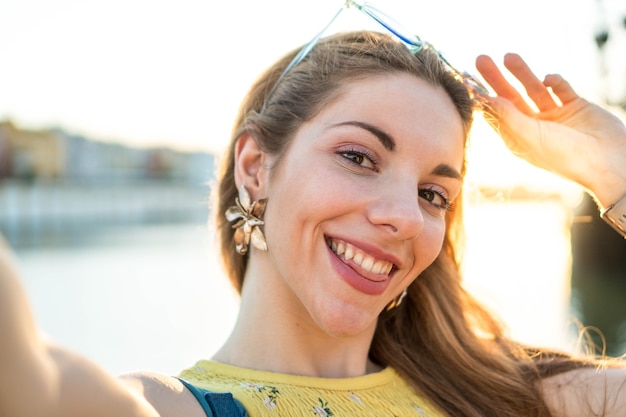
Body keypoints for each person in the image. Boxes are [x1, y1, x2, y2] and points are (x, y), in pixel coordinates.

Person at [1, 3, 626, 417]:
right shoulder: (170, 408)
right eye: (358, 157)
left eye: (434, 194)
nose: (404, 216)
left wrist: (615, 173)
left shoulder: (517, 400)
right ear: (255, 167)